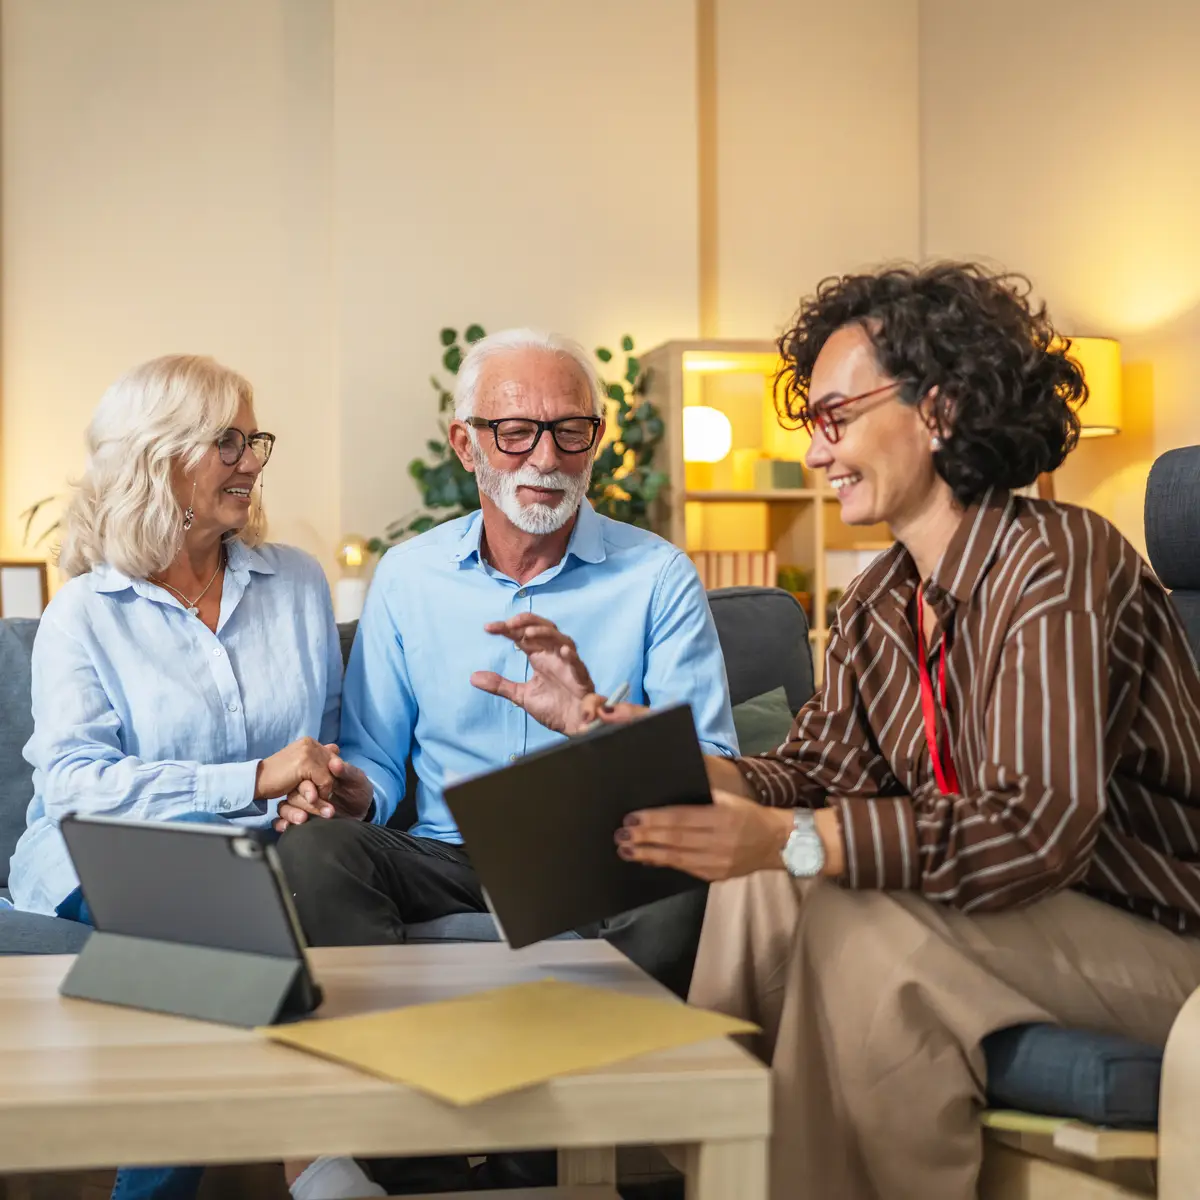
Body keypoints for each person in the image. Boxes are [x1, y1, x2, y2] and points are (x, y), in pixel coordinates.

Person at [541, 264, 1200, 1200]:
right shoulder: (878, 600)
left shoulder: (1058, 562)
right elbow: (811, 773)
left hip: (1161, 940)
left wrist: (793, 840)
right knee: (759, 892)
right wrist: (650, 750)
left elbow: (1034, 831)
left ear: (939, 409)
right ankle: (705, 1172)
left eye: (836, 419)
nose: (817, 454)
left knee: (853, 915)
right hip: (1025, 922)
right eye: (813, 426)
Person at [272, 327, 737, 1198]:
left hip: (603, 854)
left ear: (597, 440)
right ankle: (417, 1151)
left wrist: (595, 726)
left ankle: (544, 1148)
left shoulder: (658, 575)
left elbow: (709, 765)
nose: (547, 457)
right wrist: (346, 792)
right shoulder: (409, 577)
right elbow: (377, 759)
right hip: (449, 851)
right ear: (468, 443)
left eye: (571, 432)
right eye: (516, 432)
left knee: (686, 878)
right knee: (310, 853)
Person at [8, 354, 356, 1200]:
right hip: (103, 858)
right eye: (227, 443)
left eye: (255, 439)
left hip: (262, 860)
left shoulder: (299, 583)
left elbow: (330, 739)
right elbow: (78, 785)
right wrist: (253, 781)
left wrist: (318, 784)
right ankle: (313, 1164)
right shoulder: (83, 613)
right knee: (208, 887)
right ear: (154, 457)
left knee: (231, 888)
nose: (253, 462)